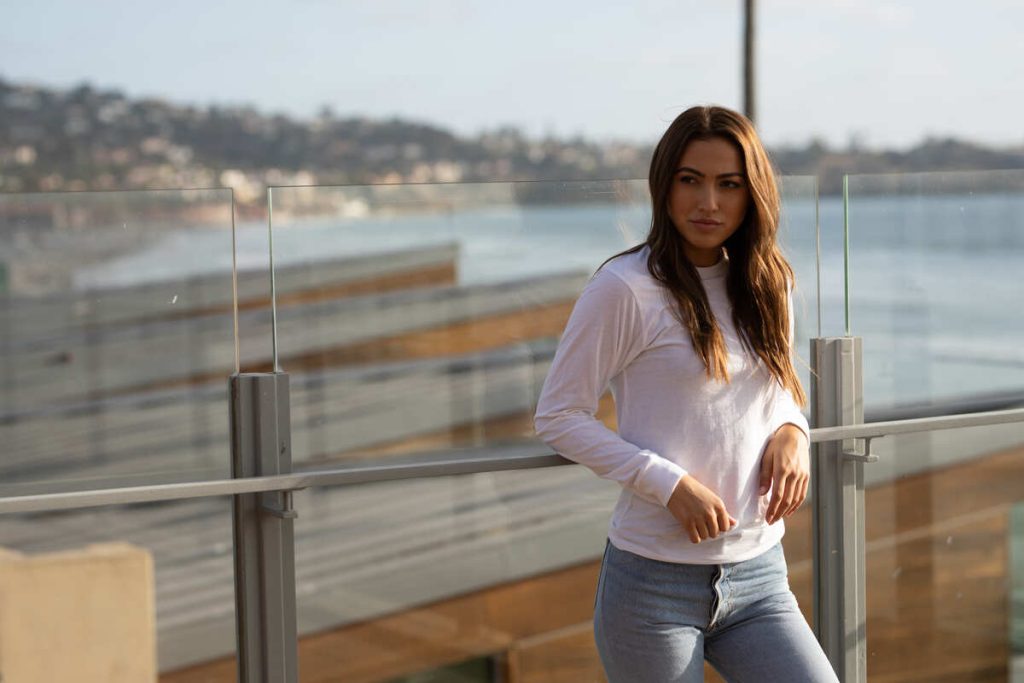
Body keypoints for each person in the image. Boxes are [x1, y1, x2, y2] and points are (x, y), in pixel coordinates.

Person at [533, 105, 838, 682]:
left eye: (729, 185)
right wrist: (667, 483)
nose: (709, 203)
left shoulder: (770, 282)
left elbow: (773, 396)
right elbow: (558, 415)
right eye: (690, 180)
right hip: (652, 586)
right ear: (664, 183)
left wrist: (794, 432)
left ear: (753, 194)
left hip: (759, 573)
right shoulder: (624, 288)